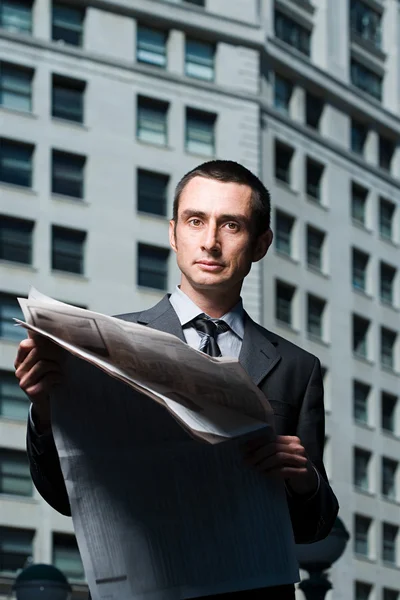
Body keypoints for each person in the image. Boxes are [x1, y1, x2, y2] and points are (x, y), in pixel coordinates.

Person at [15, 160, 338, 600]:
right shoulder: (100, 345)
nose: (210, 242)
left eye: (231, 225)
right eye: (195, 221)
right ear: (173, 233)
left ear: (261, 244)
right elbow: (64, 494)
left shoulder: (297, 368)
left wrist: (305, 480)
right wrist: (46, 410)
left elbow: (315, 526)